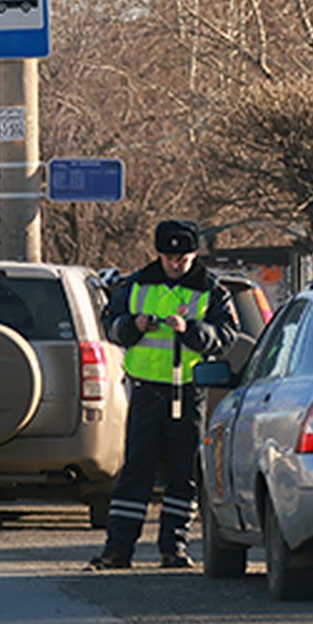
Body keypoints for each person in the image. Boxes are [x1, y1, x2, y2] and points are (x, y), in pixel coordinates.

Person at [88, 219, 238, 570]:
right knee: (135, 471)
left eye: (183, 258)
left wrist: (192, 331)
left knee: (183, 472)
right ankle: (118, 550)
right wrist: (133, 326)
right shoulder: (137, 285)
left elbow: (228, 335)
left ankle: (174, 548)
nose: (176, 263)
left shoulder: (211, 290)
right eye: (170, 257)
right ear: (159, 254)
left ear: (194, 254)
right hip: (146, 391)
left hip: (188, 392)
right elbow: (110, 326)